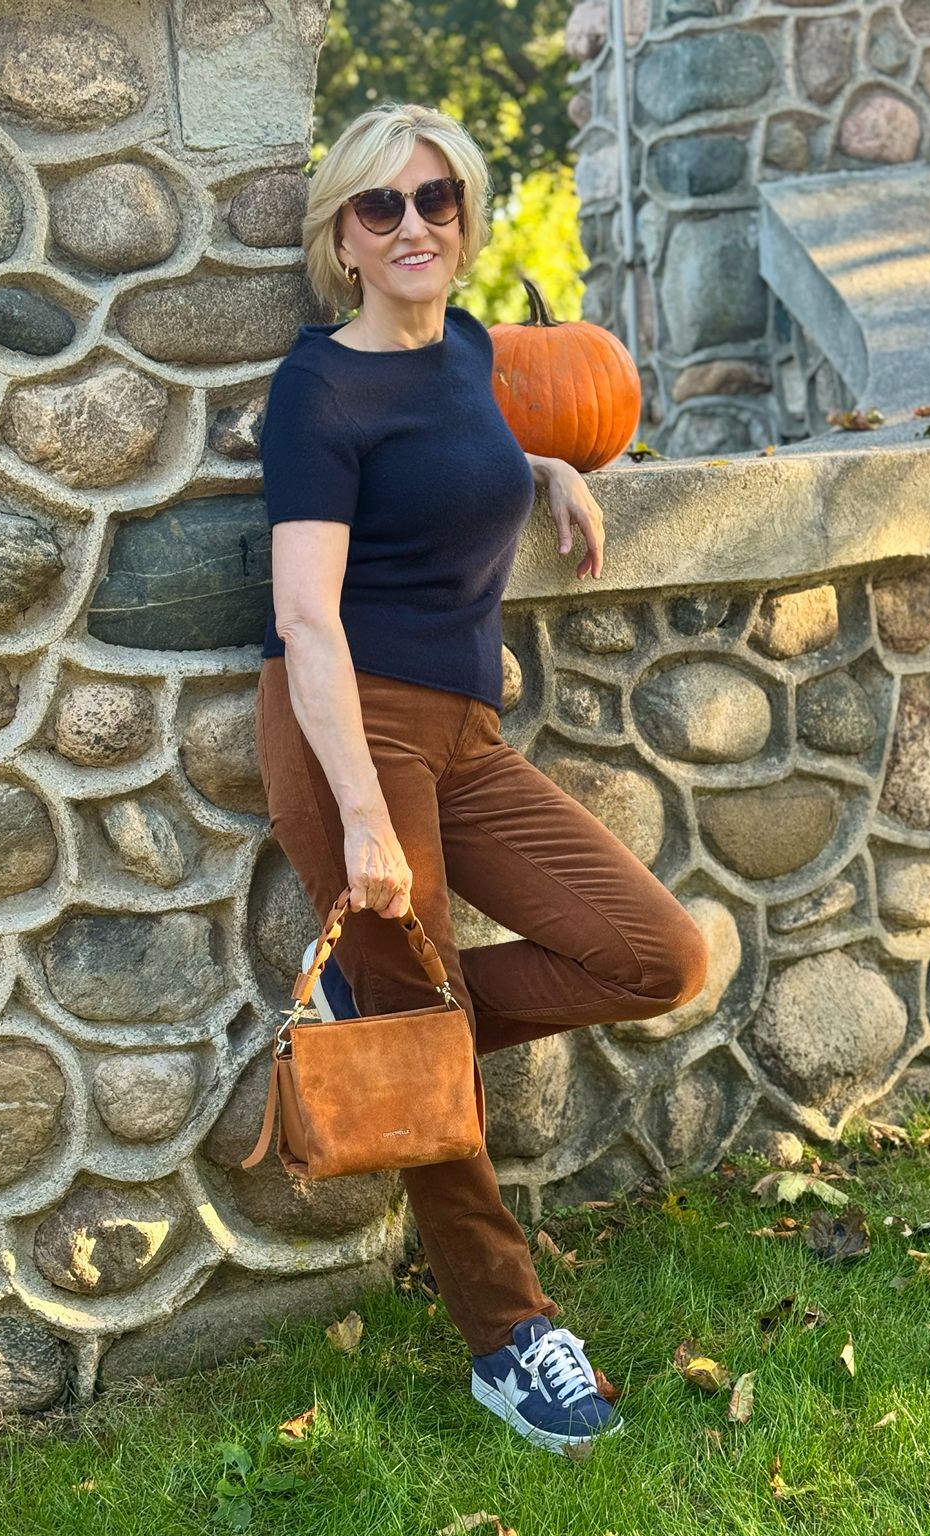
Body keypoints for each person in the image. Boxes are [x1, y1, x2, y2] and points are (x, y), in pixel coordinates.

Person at [255, 102, 709, 1455]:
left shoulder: (460, 349)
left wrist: (546, 464)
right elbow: (310, 617)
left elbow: (444, 458)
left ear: (467, 214)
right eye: (381, 207)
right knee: (426, 1020)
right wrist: (357, 813)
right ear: (342, 232)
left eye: (437, 200)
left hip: (463, 730)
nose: (413, 226)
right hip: (351, 731)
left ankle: (382, 1021)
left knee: (658, 953)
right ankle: (512, 1342)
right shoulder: (318, 386)